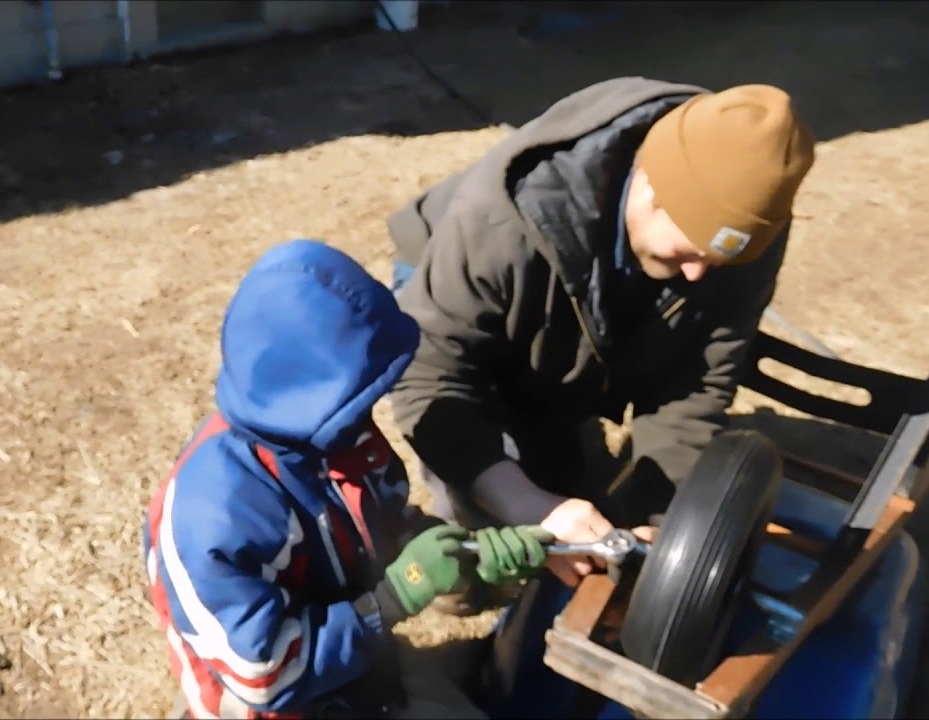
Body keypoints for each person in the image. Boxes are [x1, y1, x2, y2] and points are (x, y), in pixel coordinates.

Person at [384, 78, 817, 615]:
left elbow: (698, 382)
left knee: (575, 490)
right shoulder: (502, 226)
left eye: (718, 258)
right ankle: (470, 574)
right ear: (653, 188)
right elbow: (430, 380)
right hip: (454, 295)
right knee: (496, 512)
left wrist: (665, 513)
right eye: (688, 249)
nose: (700, 273)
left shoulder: (742, 231)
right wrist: (524, 504)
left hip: (575, 310)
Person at [141, 238, 556, 719]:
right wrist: (397, 595)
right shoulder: (213, 515)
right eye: (362, 394)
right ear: (307, 391)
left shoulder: (334, 438)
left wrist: (470, 558)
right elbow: (263, 676)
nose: (374, 411)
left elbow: (380, 530)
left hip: (356, 666)